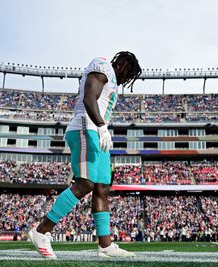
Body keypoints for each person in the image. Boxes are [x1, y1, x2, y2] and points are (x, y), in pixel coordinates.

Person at [28, 52, 142, 258]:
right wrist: (100, 126)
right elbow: (90, 98)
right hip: (86, 127)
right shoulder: (102, 67)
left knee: (102, 187)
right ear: (122, 64)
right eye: (129, 73)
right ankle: (41, 231)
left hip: (97, 131)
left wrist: (102, 128)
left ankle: (105, 245)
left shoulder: (111, 79)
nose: (127, 79)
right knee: (85, 183)